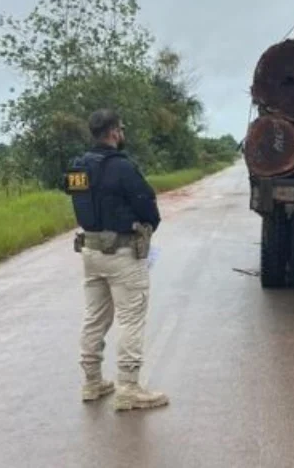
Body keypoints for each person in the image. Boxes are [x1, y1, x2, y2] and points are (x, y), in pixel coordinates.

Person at [63, 108, 169, 411]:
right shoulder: (123, 167)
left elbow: (77, 197)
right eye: (120, 129)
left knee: (94, 318)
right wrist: (148, 226)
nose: (122, 134)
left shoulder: (77, 167)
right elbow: (147, 204)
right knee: (131, 318)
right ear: (112, 132)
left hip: (90, 250)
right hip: (121, 252)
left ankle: (92, 382)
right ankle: (128, 387)